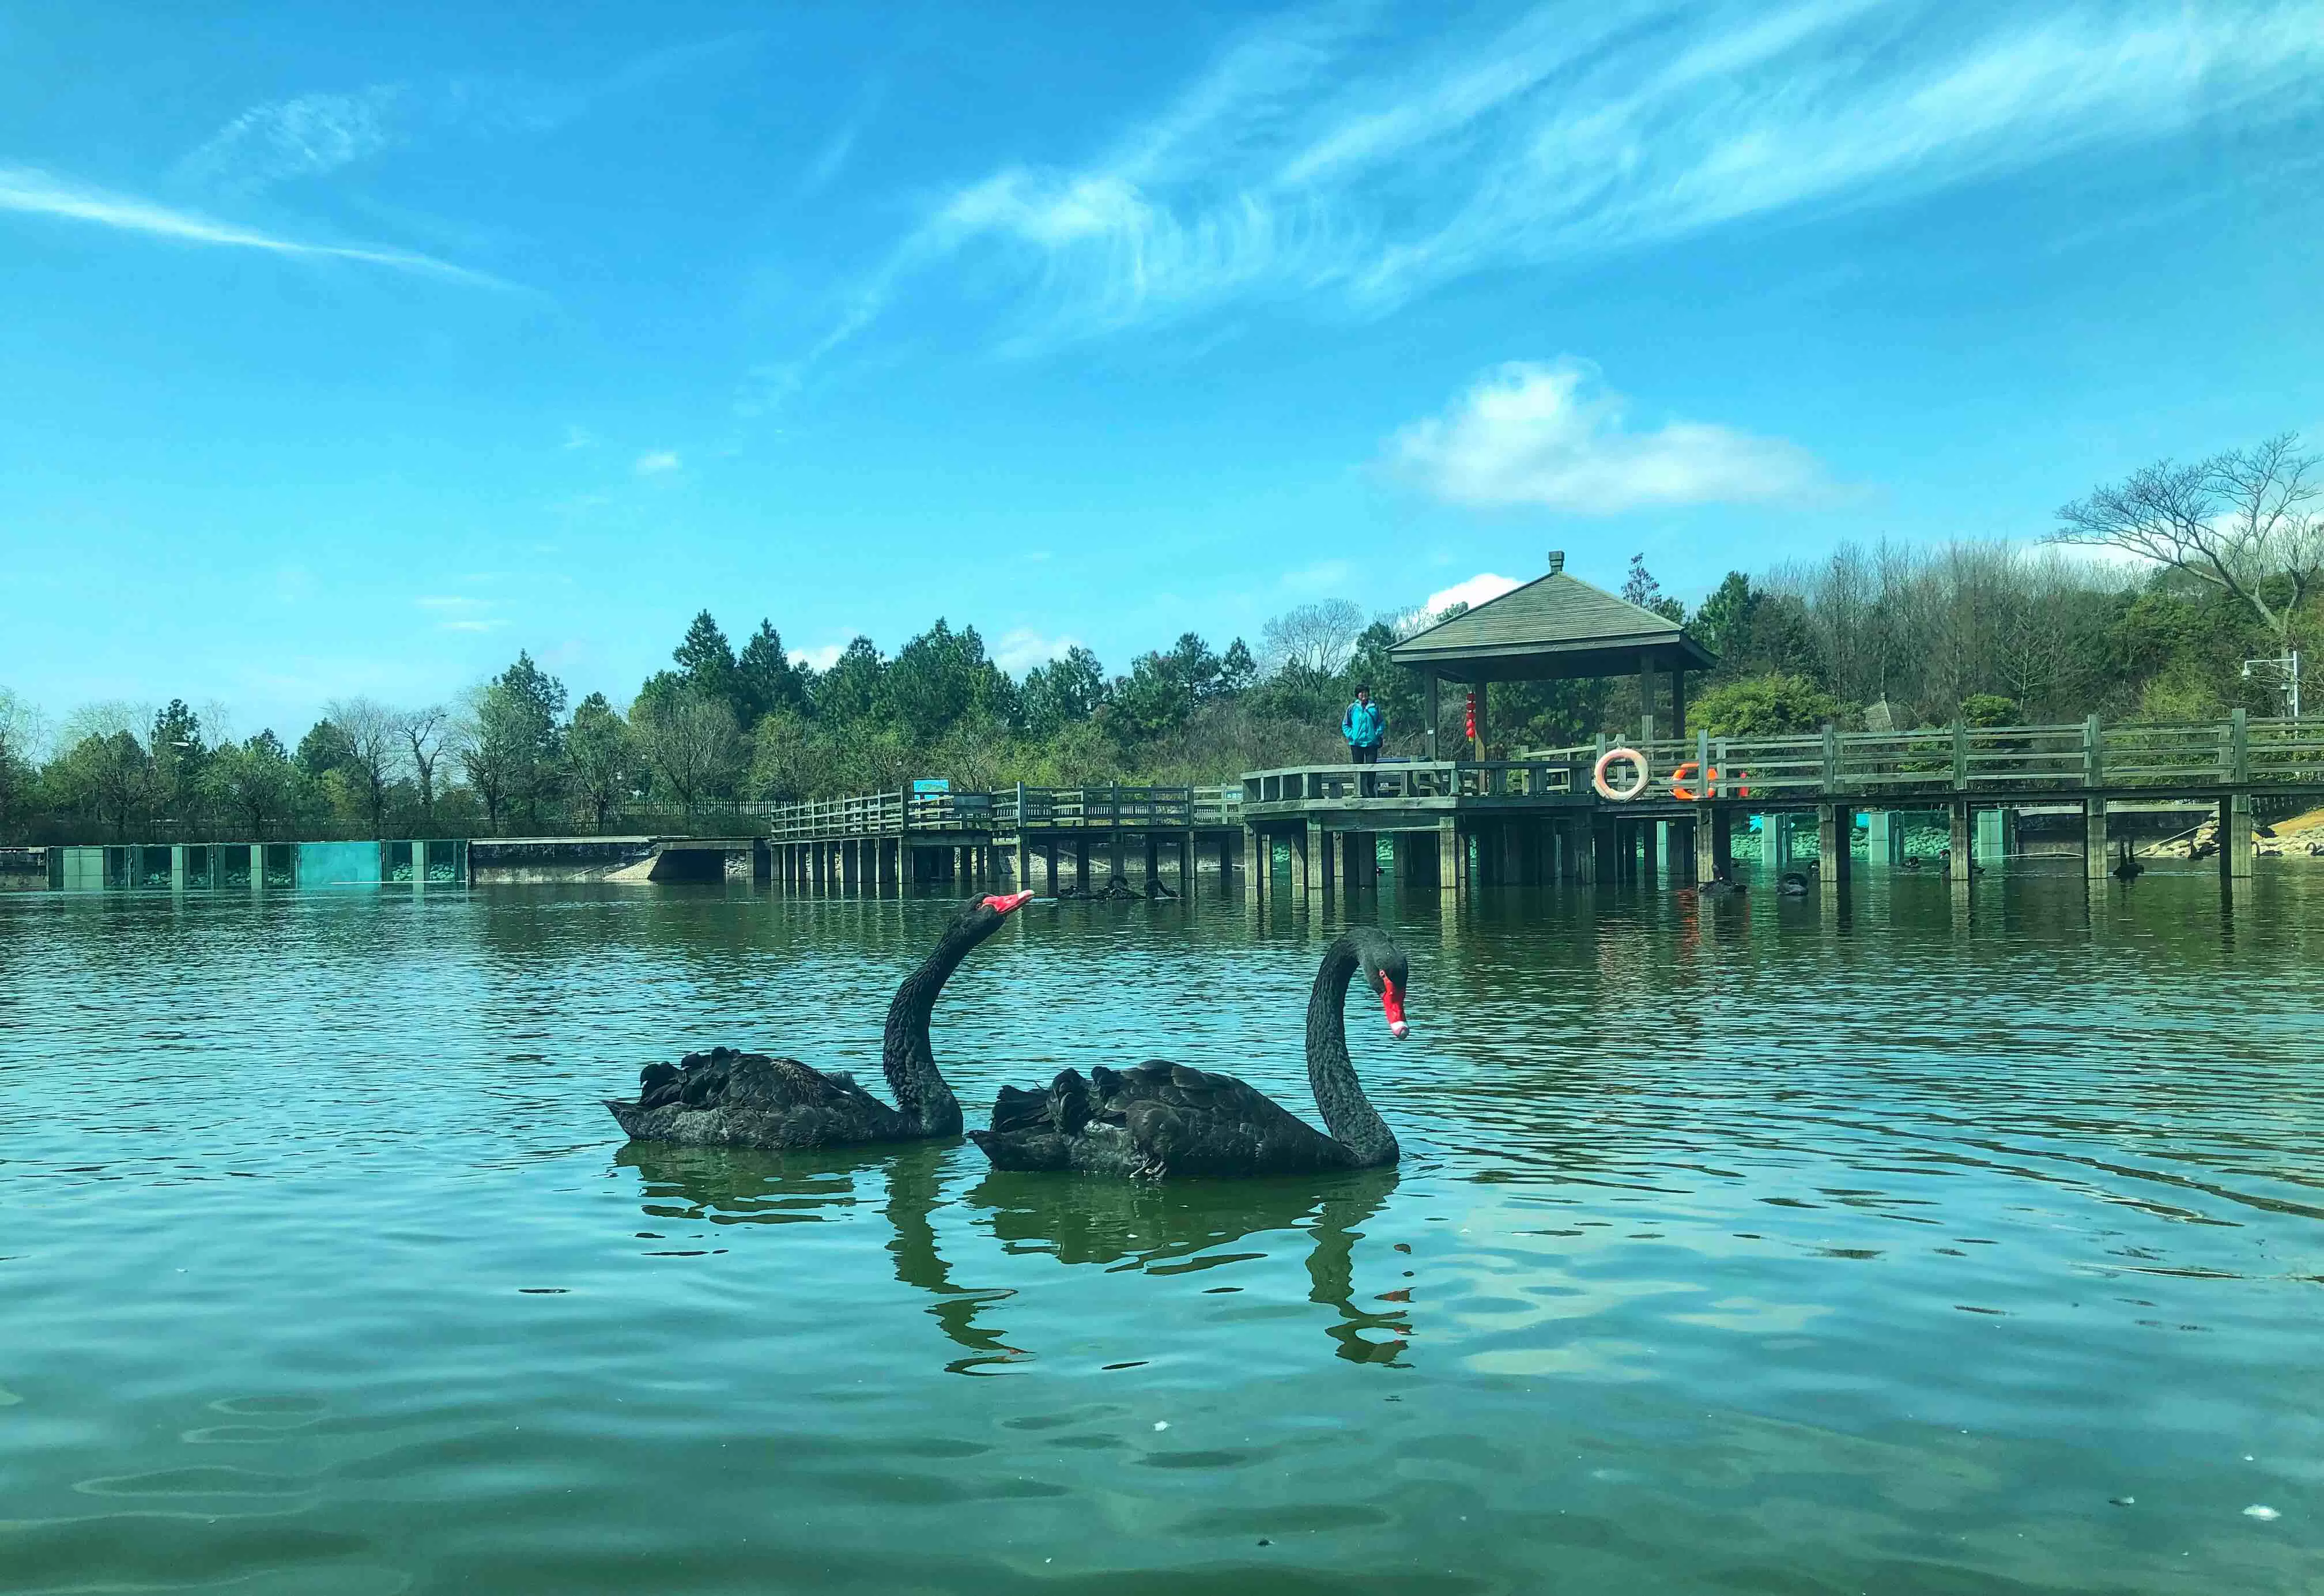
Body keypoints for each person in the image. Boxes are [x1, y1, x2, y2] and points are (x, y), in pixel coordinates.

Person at [1342, 687, 1384, 765]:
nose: (1364, 694)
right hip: (1356, 744)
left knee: (1371, 770)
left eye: (1365, 692)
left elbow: (1381, 723)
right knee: (1358, 771)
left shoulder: (1375, 707)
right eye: (1361, 692)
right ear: (1357, 695)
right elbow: (1345, 725)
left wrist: (1376, 734)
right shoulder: (1352, 708)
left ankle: (1370, 778)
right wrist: (1352, 736)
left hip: (1372, 743)